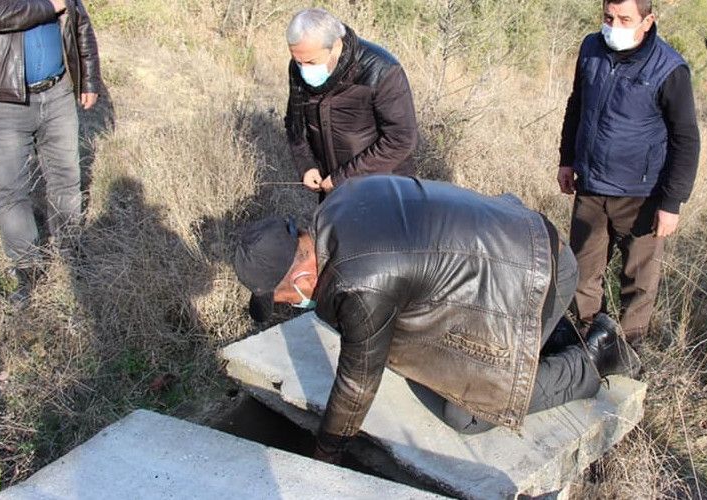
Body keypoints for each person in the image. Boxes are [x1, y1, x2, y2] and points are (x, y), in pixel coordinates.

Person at [234, 176, 640, 462]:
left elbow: (357, 382)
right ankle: (554, 337)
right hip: (525, 240)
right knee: (416, 360)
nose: (290, 306)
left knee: (465, 412)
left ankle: (595, 357)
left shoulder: (358, 283)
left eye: (284, 299)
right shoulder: (338, 203)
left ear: (302, 277)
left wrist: (327, 450)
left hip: (537, 276)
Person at [557, 0, 700, 342]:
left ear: (647, 21)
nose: (613, 27)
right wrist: (567, 159)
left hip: (642, 194)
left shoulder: (669, 68)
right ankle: (587, 342)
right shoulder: (591, 48)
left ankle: (628, 350)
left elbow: (686, 138)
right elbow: (577, 104)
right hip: (591, 187)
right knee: (582, 273)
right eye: (608, 17)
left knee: (638, 282)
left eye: (624, 19)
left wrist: (672, 203)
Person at [0, 0, 101, 303]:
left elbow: (80, 22)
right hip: (3, 102)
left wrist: (89, 79)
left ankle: (70, 249)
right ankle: (27, 270)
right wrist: (52, 5)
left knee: (66, 177)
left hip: (58, 92)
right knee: (12, 190)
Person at [284, 8, 418, 199]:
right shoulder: (299, 66)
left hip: (384, 189)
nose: (303, 69)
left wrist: (343, 178)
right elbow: (294, 124)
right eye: (298, 61)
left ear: (335, 46)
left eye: (311, 62)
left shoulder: (382, 71)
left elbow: (401, 140)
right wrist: (307, 166)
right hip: (332, 189)